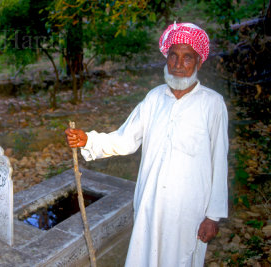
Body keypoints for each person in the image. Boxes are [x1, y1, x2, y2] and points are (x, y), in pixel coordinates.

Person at [65, 22, 228, 267]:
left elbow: (219, 160)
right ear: (167, 59)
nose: (178, 65)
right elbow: (125, 139)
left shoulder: (212, 104)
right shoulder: (154, 99)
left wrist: (212, 216)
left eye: (187, 58)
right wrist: (88, 139)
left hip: (188, 211)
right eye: (173, 56)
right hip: (150, 205)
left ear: (199, 62)